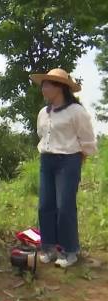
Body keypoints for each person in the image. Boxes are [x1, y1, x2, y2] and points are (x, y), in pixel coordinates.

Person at [30, 68, 97, 269]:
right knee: (45, 205)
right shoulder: (43, 112)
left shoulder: (76, 111)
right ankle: (49, 247)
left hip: (69, 160)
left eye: (48, 84)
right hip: (47, 160)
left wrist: (78, 161)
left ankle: (70, 250)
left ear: (61, 88)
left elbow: (87, 140)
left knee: (64, 206)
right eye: (43, 84)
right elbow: (42, 136)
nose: (44, 88)